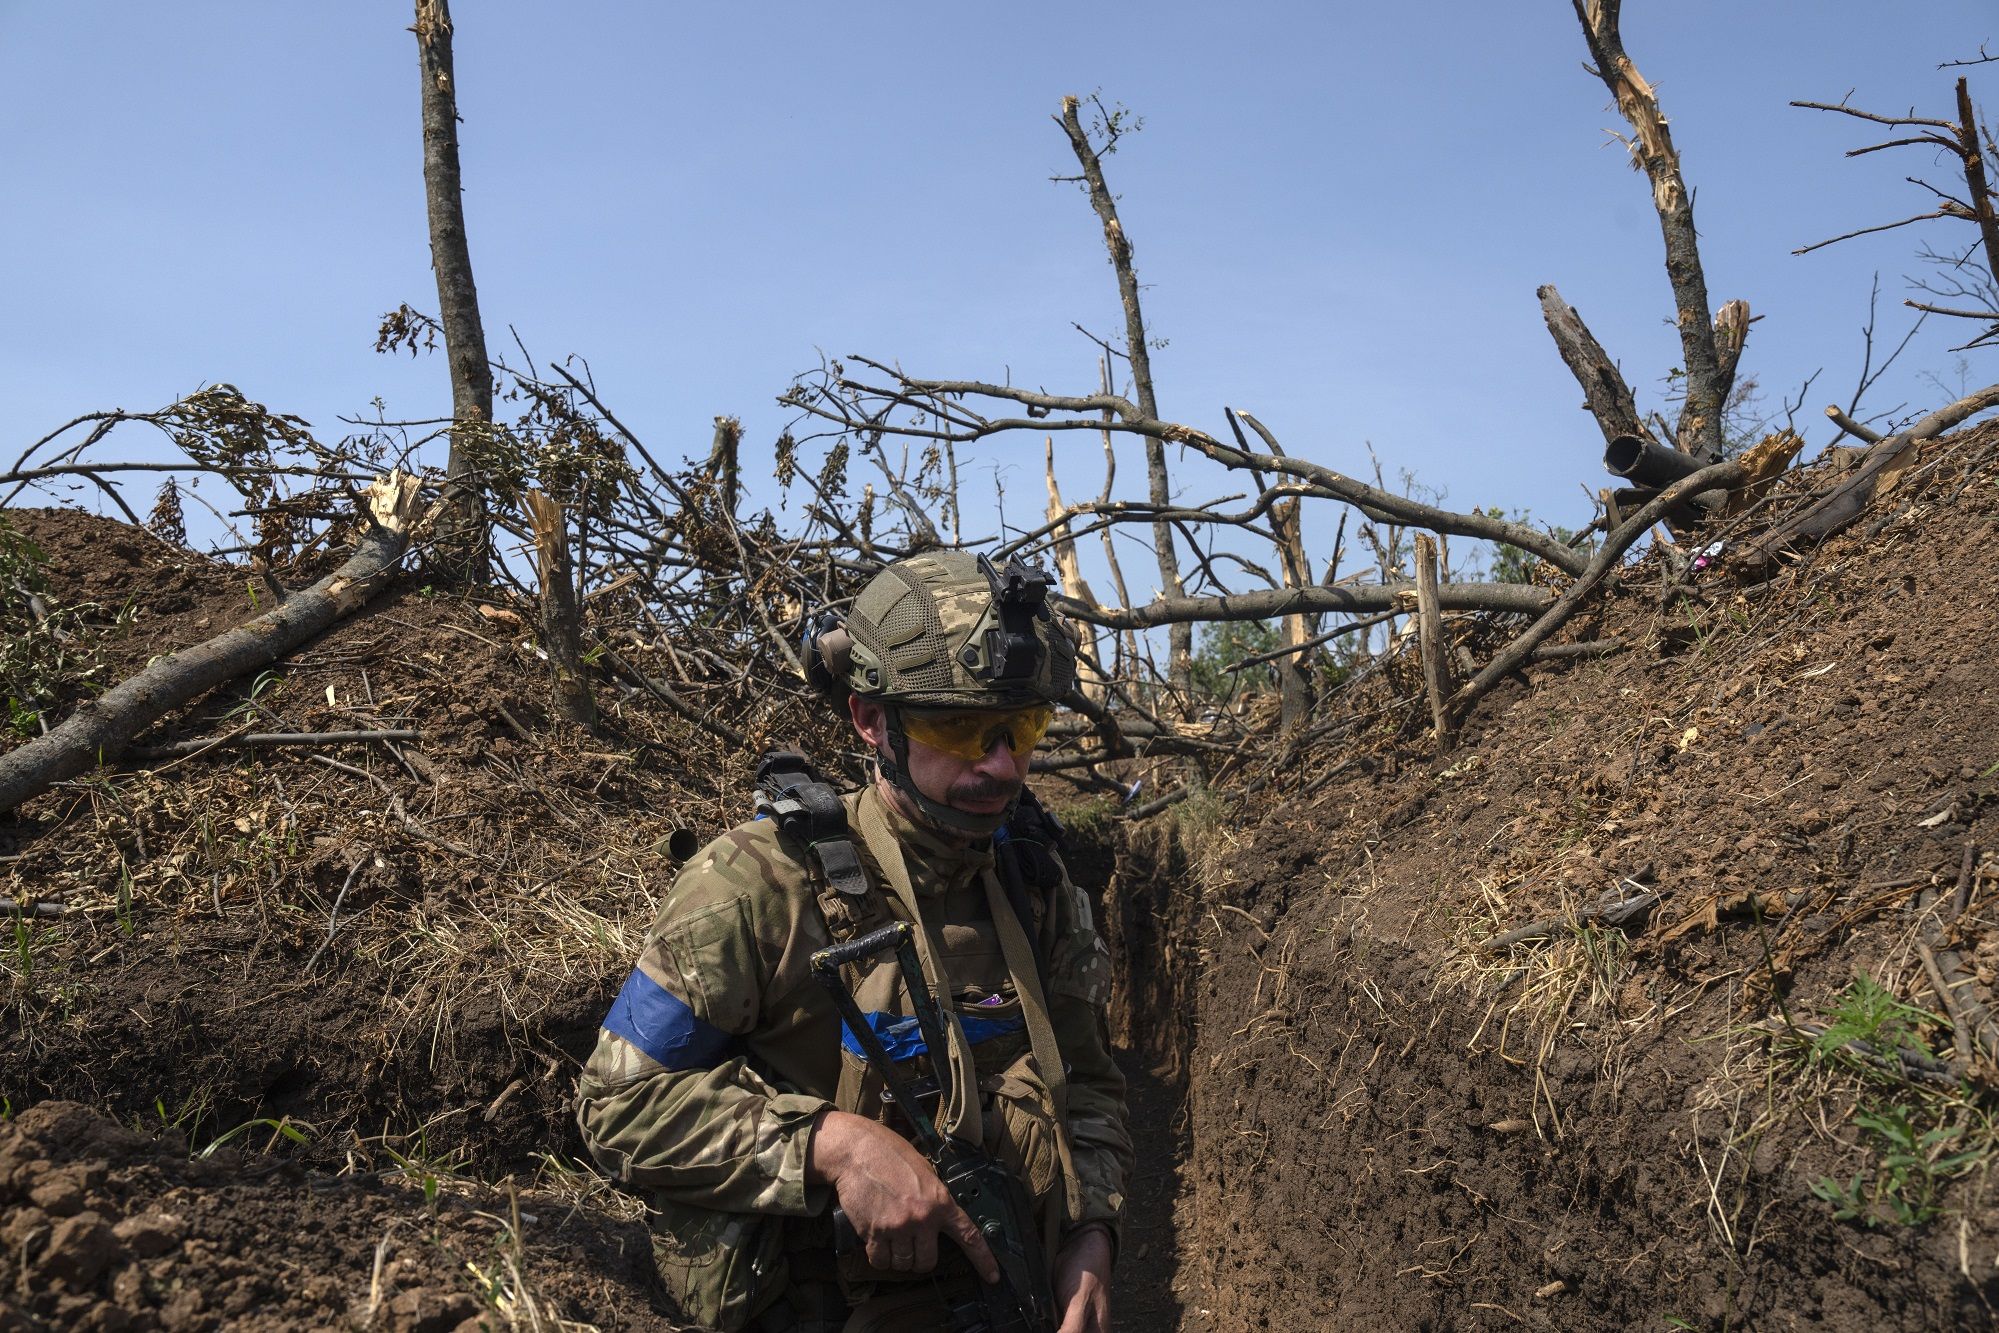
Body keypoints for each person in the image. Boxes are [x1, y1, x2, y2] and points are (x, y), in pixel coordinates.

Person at [576, 550, 1132, 1332]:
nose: (1003, 763)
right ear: (871, 719)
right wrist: (829, 1144)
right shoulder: (753, 884)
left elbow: (1092, 1089)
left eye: (1025, 725)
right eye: (961, 727)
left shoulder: (1039, 890)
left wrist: (1091, 1237)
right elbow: (616, 1105)